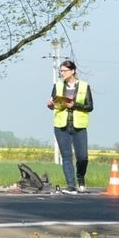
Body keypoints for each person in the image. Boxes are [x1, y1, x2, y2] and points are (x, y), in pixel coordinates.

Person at [46, 59, 94, 194]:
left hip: (79, 126)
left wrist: (75, 105)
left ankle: (80, 177)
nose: (62, 73)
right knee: (66, 156)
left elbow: (90, 106)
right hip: (61, 126)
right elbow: (53, 103)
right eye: (61, 71)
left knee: (82, 157)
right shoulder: (58, 86)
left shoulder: (84, 86)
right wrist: (50, 105)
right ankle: (71, 185)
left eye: (64, 71)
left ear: (73, 71)